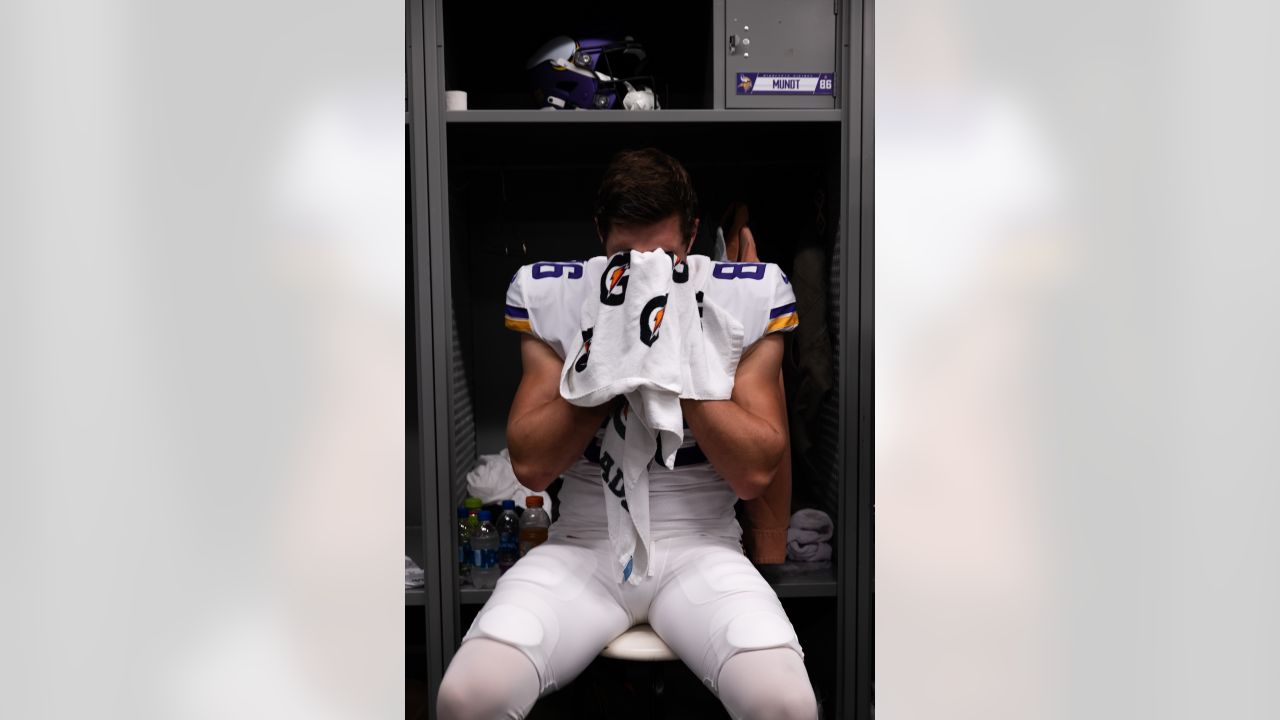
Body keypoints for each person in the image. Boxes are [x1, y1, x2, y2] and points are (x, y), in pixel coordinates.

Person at [437, 148, 818, 720]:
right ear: (600, 235)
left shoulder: (741, 295)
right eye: (624, 256)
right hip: (585, 541)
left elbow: (754, 470)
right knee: (469, 697)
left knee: (783, 703)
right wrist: (609, 370)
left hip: (700, 542)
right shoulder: (560, 296)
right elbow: (532, 465)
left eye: (663, 256)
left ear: (692, 236)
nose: (644, 271)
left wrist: (674, 368)